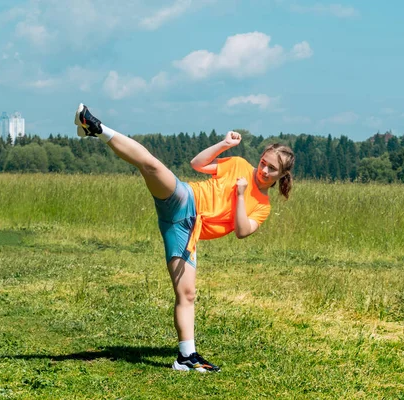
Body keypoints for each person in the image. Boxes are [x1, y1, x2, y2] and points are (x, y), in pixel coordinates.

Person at [74, 103, 295, 372]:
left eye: (271, 169)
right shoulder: (238, 164)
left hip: (185, 231)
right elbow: (197, 164)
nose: (263, 170)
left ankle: (185, 357)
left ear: (282, 175)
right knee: (151, 165)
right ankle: (96, 127)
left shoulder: (263, 206)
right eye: (263, 163)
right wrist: (223, 144)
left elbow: (241, 231)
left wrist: (240, 195)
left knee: (186, 293)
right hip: (184, 200)